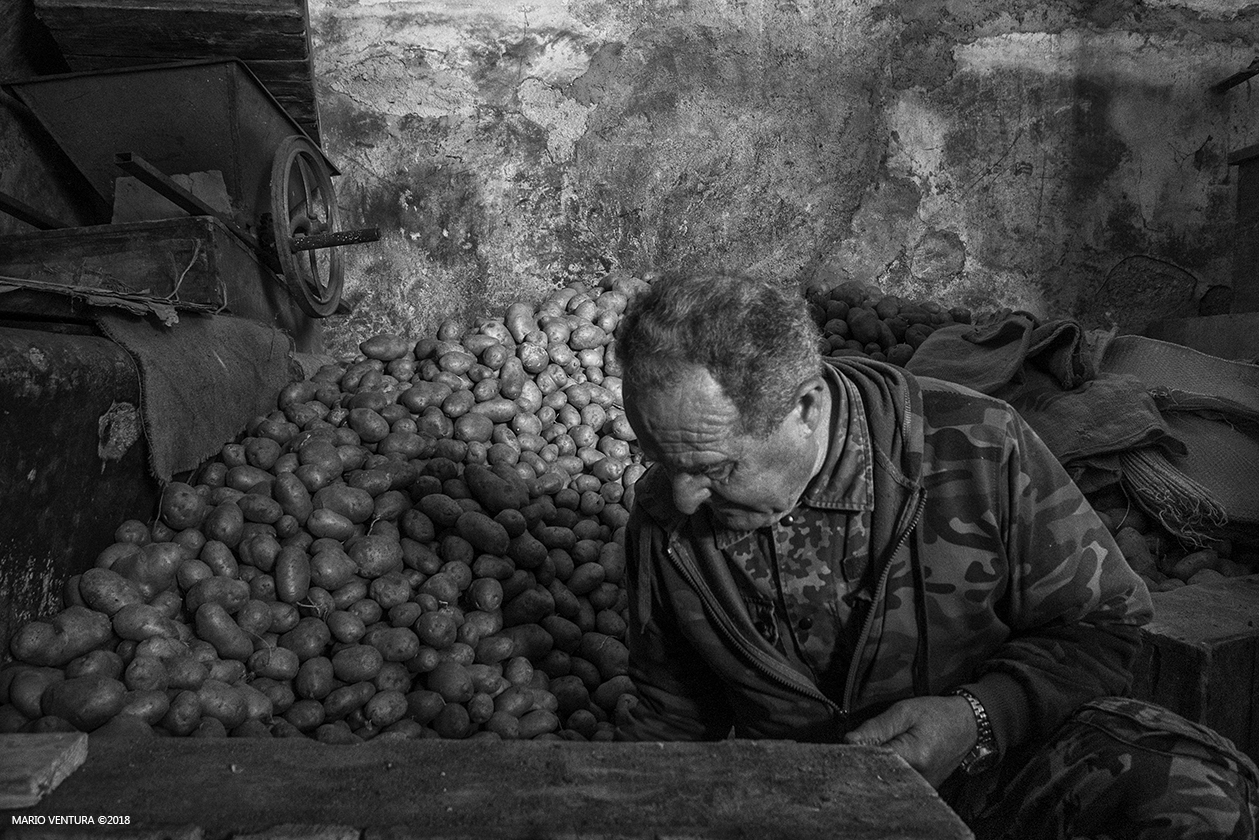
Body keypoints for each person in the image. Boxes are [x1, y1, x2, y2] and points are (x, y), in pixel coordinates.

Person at [612, 272, 1259, 839]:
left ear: (804, 408)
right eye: (659, 459)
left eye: (715, 467)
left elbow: (1106, 626)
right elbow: (673, 711)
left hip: (997, 770)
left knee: (1198, 798)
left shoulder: (973, 445)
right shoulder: (666, 511)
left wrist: (975, 717)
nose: (679, 494)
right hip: (810, 801)